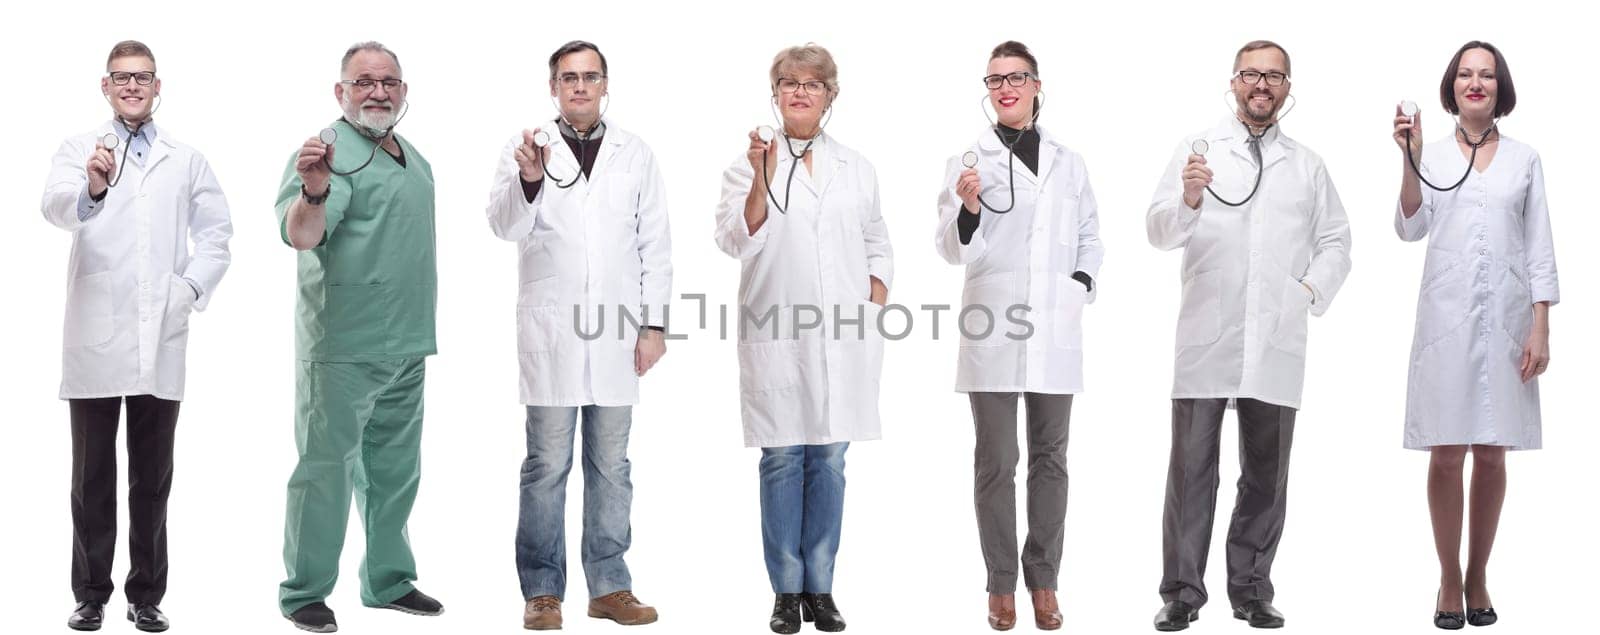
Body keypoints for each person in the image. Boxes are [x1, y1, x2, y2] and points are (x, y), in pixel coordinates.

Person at [1145, 40, 1352, 632]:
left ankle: (1251, 588)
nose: (1263, 85)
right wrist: (1187, 196)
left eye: (1275, 76)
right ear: (1233, 82)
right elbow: (1158, 232)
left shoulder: (1308, 164)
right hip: (1207, 335)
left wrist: (1307, 293)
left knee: (1267, 473)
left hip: (1276, 336)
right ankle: (1182, 592)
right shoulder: (1196, 150)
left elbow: (1337, 240)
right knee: (1191, 471)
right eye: (1252, 74)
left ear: (1288, 88)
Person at [41, 39, 233, 634]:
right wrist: (93, 188)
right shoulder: (79, 149)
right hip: (97, 330)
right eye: (121, 77)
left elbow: (218, 234)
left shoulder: (188, 158)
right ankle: (91, 594)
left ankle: (145, 594)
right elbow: (54, 209)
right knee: (91, 477)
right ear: (105, 86)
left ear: (157, 87)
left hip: (162, 335)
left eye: (143, 77)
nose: (132, 86)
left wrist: (189, 292)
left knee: (151, 478)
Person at [485, 39, 671, 631]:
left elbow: (655, 244)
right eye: (569, 78)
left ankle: (610, 586)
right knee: (546, 465)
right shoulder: (527, 149)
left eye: (590, 77)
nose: (581, 87)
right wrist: (530, 181)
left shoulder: (635, 153)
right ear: (553, 87)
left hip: (618, 333)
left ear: (606, 84)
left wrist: (655, 324)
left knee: (612, 466)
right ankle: (543, 592)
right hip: (553, 334)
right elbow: (503, 225)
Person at [713, 43, 892, 634]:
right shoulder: (747, 164)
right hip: (777, 329)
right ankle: (786, 591)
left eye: (811, 84)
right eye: (788, 83)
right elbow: (736, 238)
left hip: (842, 335)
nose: (799, 92)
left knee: (832, 462)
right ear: (775, 93)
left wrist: (874, 293)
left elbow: (877, 238)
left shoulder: (856, 166)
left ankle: (822, 587)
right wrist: (763, 173)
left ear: (829, 95)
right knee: (783, 459)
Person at [934, 40, 1103, 632]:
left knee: (1052, 460)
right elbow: (951, 249)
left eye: (1016, 77)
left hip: (1055, 324)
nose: (1004, 87)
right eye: (994, 79)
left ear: (1036, 84)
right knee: (996, 460)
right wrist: (970, 209)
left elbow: (1090, 234)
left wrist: (1078, 285)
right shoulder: (967, 161)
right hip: (994, 324)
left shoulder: (1069, 160)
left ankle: (1045, 580)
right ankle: (1001, 585)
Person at [274, 41, 443, 633]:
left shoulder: (411, 155)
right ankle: (305, 593)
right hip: (345, 344)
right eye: (365, 81)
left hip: (407, 344)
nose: (379, 91)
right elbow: (302, 234)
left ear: (403, 92)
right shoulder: (326, 153)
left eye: (390, 81)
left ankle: (389, 581)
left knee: (396, 473)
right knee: (326, 471)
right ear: (341, 92)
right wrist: (313, 189)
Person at [1389, 40, 1557, 630]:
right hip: (1446, 318)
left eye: (1486, 75)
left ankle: (1479, 572)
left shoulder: (1525, 159)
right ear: (1452, 87)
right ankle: (1447, 578)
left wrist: (1540, 325)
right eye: (1465, 74)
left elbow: (1539, 247)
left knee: (1492, 452)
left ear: (1500, 86)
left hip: (1508, 320)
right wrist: (1408, 157)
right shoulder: (1430, 153)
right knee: (1446, 450)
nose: (1476, 83)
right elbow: (1410, 225)